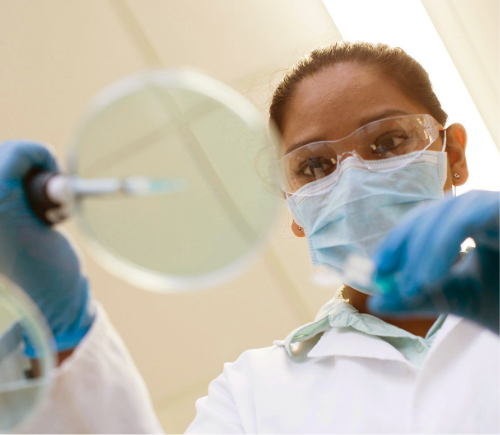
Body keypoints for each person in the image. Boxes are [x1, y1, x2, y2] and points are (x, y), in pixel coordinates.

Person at [0, 41, 498, 433]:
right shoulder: (253, 395)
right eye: (316, 166)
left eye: (388, 142)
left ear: (452, 154)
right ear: (295, 209)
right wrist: (63, 337)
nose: (354, 179)